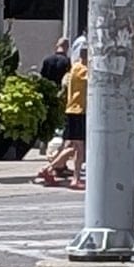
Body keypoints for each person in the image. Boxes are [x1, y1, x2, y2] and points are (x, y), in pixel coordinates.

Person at [39, 36, 87, 189]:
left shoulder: (74, 68)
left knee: (71, 146)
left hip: (71, 109)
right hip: (79, 111)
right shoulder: (83, 70)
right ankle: (75, 178)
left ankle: (49, 169)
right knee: (79, 148)